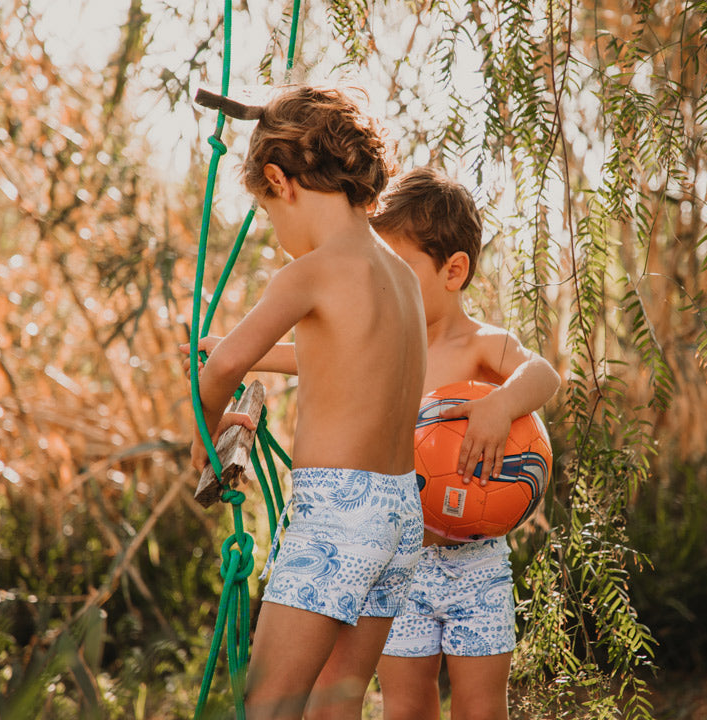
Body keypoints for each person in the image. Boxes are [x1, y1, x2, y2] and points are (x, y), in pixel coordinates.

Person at [186, 85, 427, 720]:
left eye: (267, 212)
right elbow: (348, 362)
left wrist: (203, 442)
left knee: (269, 705)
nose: (275, 230)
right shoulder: (401, 277)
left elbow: (223, 368)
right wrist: (239, 350)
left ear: (279, 180)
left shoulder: (310, 272)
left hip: (336, 513)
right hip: (402, 512)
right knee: (334, 705)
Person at [369, 167, 561, 720]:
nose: (384, 286)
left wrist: (501, 404)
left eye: (399, 270)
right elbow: (309, 358)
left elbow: (543, 374)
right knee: (405, 706)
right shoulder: (382, 345)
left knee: (480, 707)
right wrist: (238, 352)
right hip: (399, 558)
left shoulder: (483, 344)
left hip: (477, 565)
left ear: (453, 271)